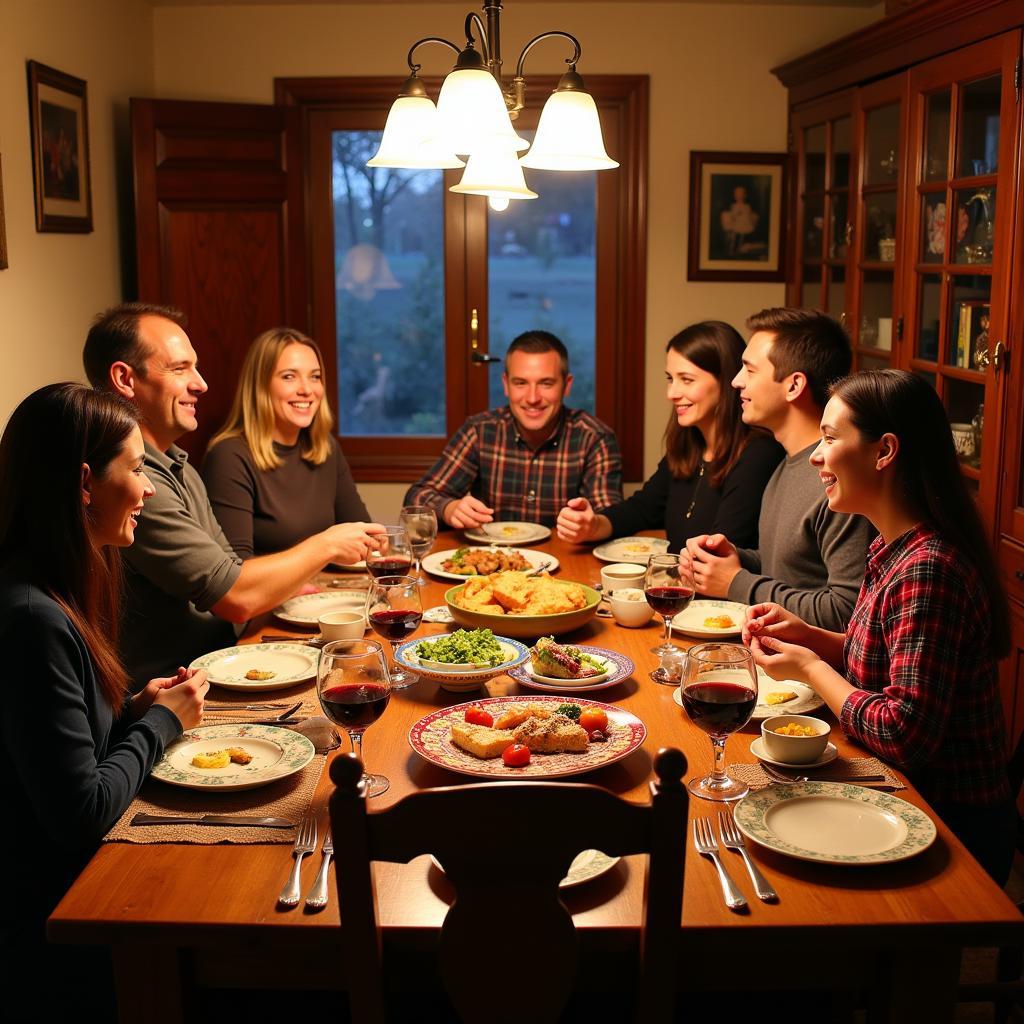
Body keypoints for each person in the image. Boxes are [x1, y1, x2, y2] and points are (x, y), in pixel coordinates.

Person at [744, 369, 1015, 883]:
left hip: (947, 829)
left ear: (884, 451)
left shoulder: (928, 567)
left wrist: (807, 668)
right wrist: (813, 638)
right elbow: (883, 654)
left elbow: (903, 733)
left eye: (828, 437)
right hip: (894, 797)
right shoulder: (892, 545)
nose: (817, 457)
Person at [0, 383, 208, 1019]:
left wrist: (132, 712)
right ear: (85, 482)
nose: (148, 489)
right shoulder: (33, 617)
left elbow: (58, 745)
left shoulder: (56, 586)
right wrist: (163, 726)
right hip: (57, 925)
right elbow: (80, 812)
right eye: (138, 468)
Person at [82, 303, 385, 683]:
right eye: (180, 368)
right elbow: (237, 597)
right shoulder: (128, 481)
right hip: (167, 687)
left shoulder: (180, 466)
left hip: (222, 663)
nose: (201, 383)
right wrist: (325, 545)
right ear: (125, 379)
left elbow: (233, 571)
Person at [686, 308, 873, 631]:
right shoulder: (788, 461)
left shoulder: (837, 477)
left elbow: (846, 612)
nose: (736, 381)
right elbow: (794, 570)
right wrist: (737, 559)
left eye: (749, 370)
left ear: (794, 385)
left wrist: (736, 582)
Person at [555, 321, 783, 552]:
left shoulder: (758, 454)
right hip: (678, 584)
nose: (671, 393)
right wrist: (593, 525)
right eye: (670, 379)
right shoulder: (690, 445)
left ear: (726, 381)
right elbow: (641, 509)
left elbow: (719, 553)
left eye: (686, 379)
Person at [404, 330, 623, 529]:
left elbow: (613, 517)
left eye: (546, 383)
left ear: (566, 385)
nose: (532, 398)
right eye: (521, 383)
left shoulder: (595, 438)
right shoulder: (480, 431)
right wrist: (449, 508)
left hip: (566, 566)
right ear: (506, 384)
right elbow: (416, 498)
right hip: (492, 565)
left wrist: (591, 525)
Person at [202, 327, 369, 558]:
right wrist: (321, 548)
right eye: (289, 376)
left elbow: (362, 534)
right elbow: (234, 575)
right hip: (271, 594)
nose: (307, 390)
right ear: (260, 386)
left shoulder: (325, 447)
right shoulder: (229, 456)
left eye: (315, 376)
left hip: (326, 589)